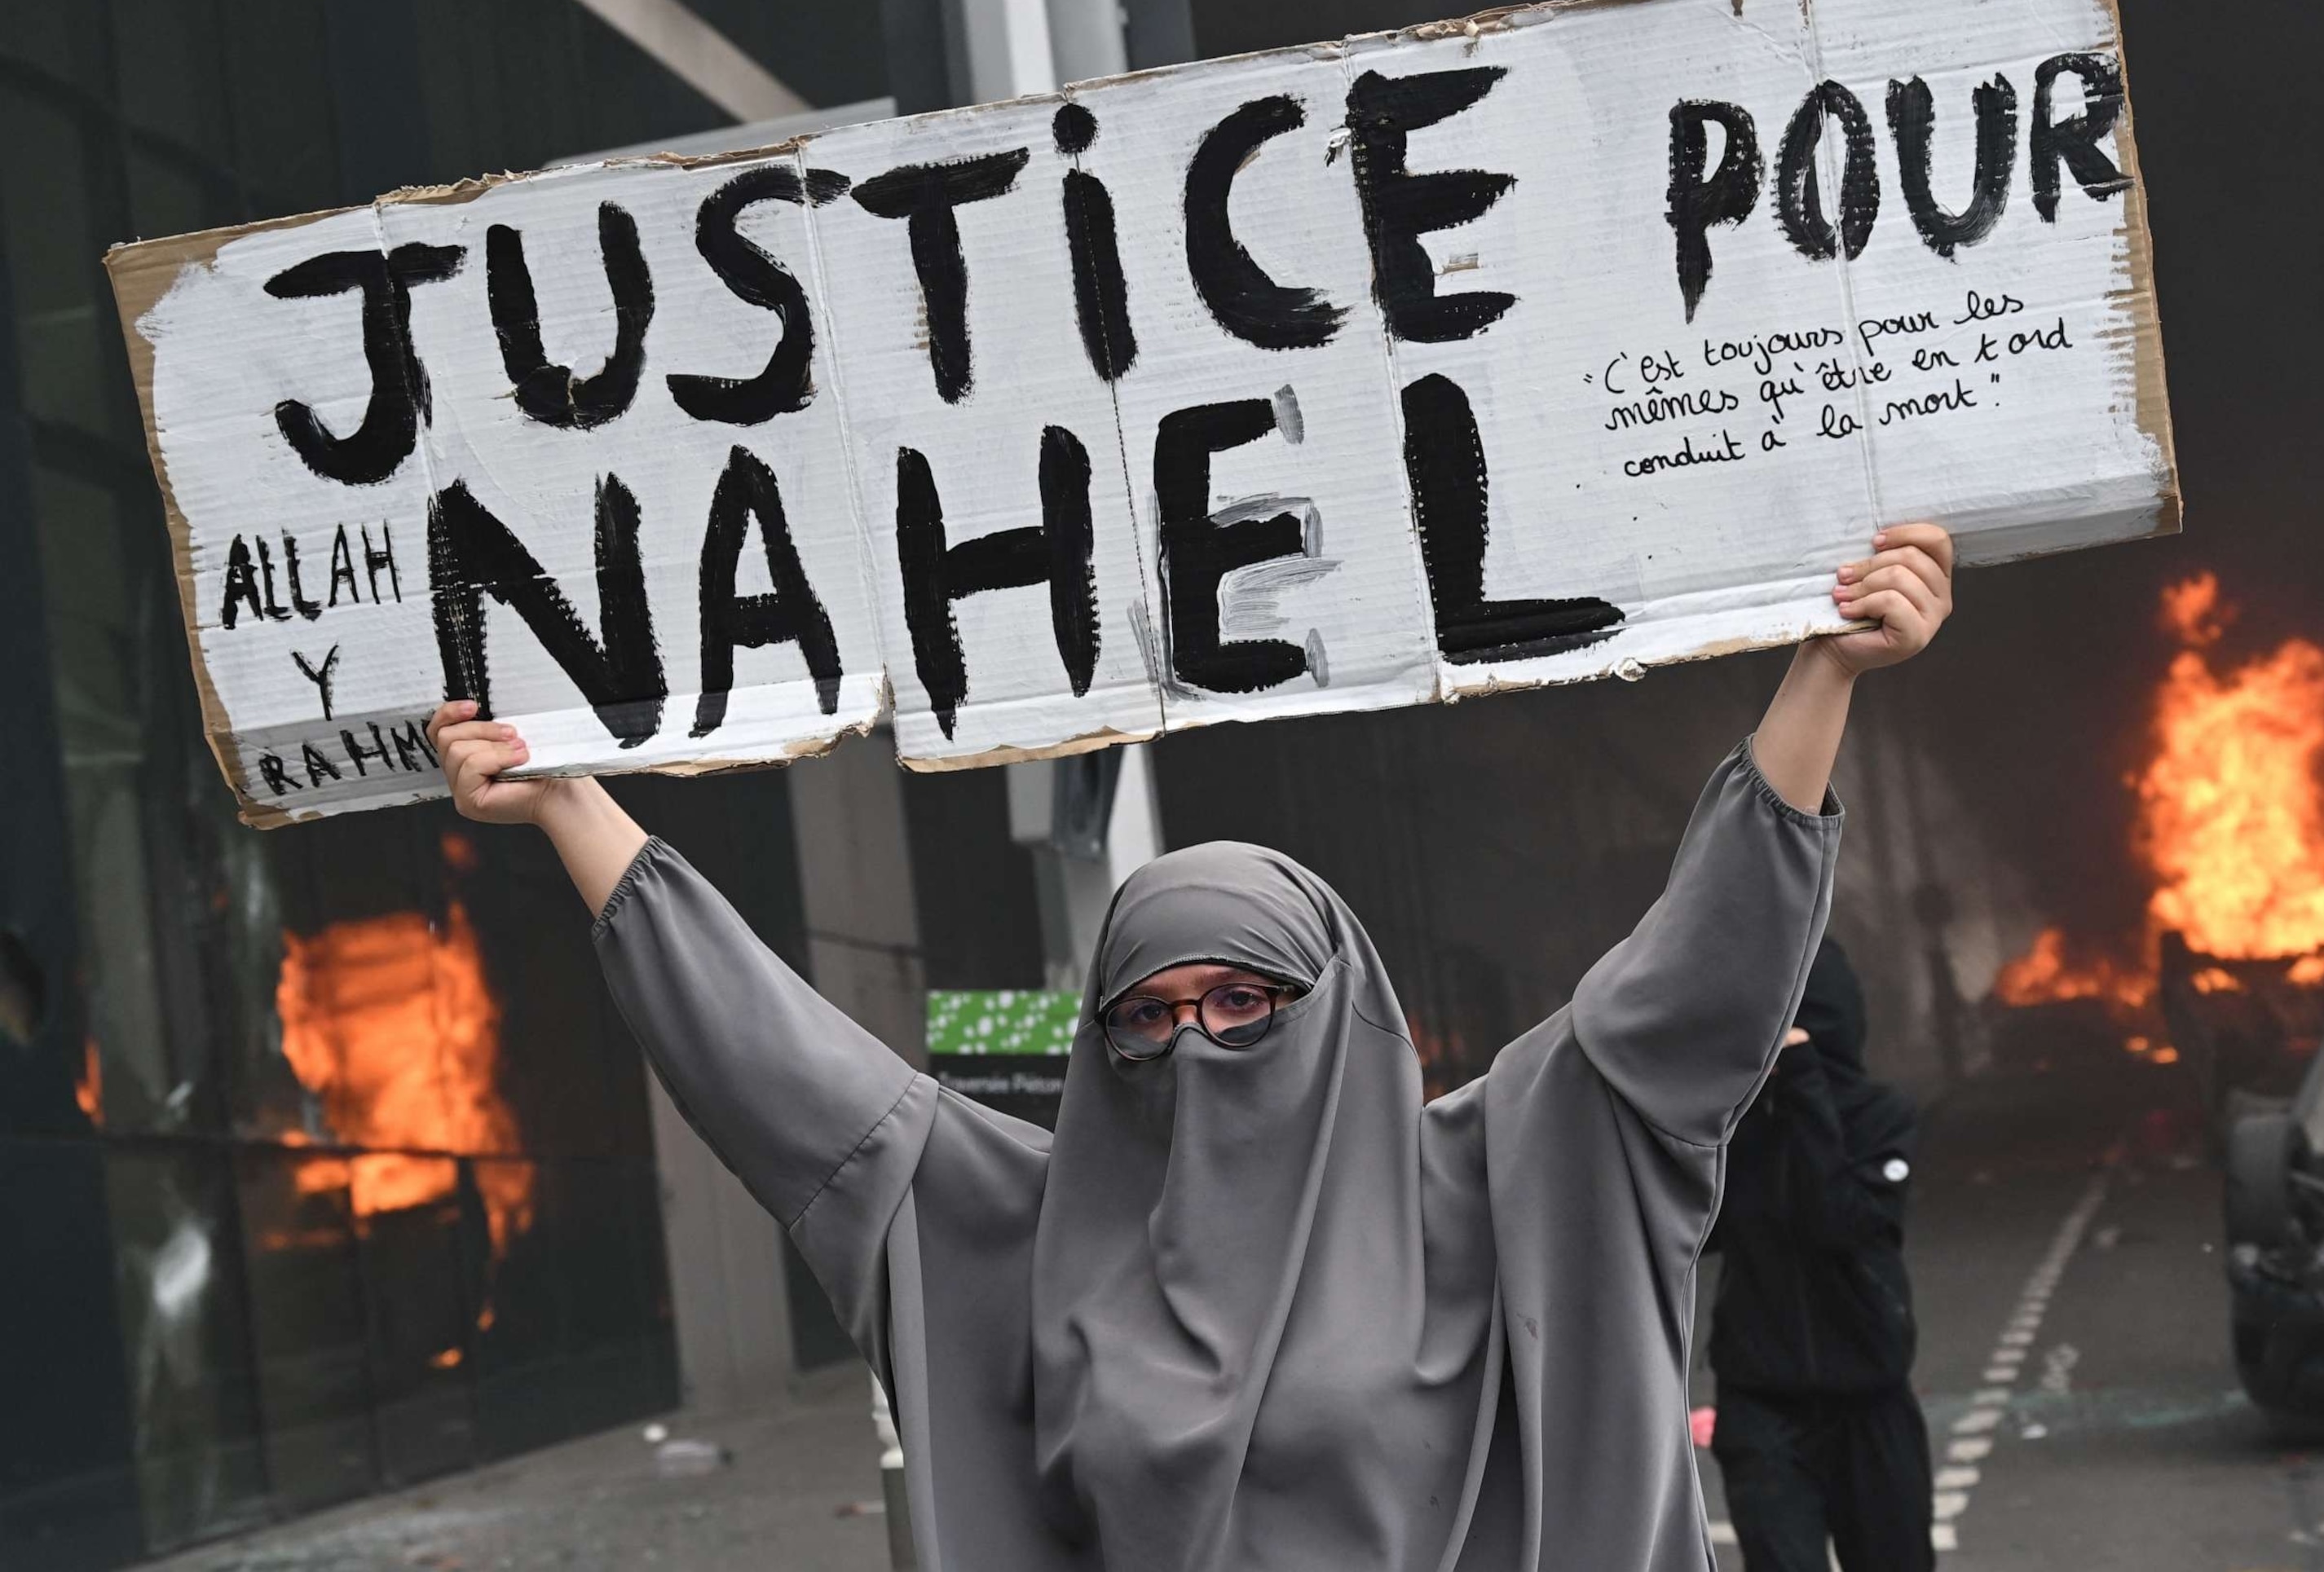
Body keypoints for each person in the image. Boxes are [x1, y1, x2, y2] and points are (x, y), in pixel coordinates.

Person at [429, 525, 1956, 1572]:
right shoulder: (1031, 1224)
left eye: (1244, 1004)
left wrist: (1823, 670)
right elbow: (771, 1068)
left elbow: (1697, 976)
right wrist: (569, 803)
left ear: (1339, 1007)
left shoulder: (1509, 1162)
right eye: (1149, 1017)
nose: (1198, 1044)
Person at [1704, 937, 1931, 1572]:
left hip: (1870, 1401)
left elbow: (1841, 1222)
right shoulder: (1736, 1124)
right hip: (1762, 1405)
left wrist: (1804, 1083)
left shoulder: (1882, 1117)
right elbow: (1696, 1232)